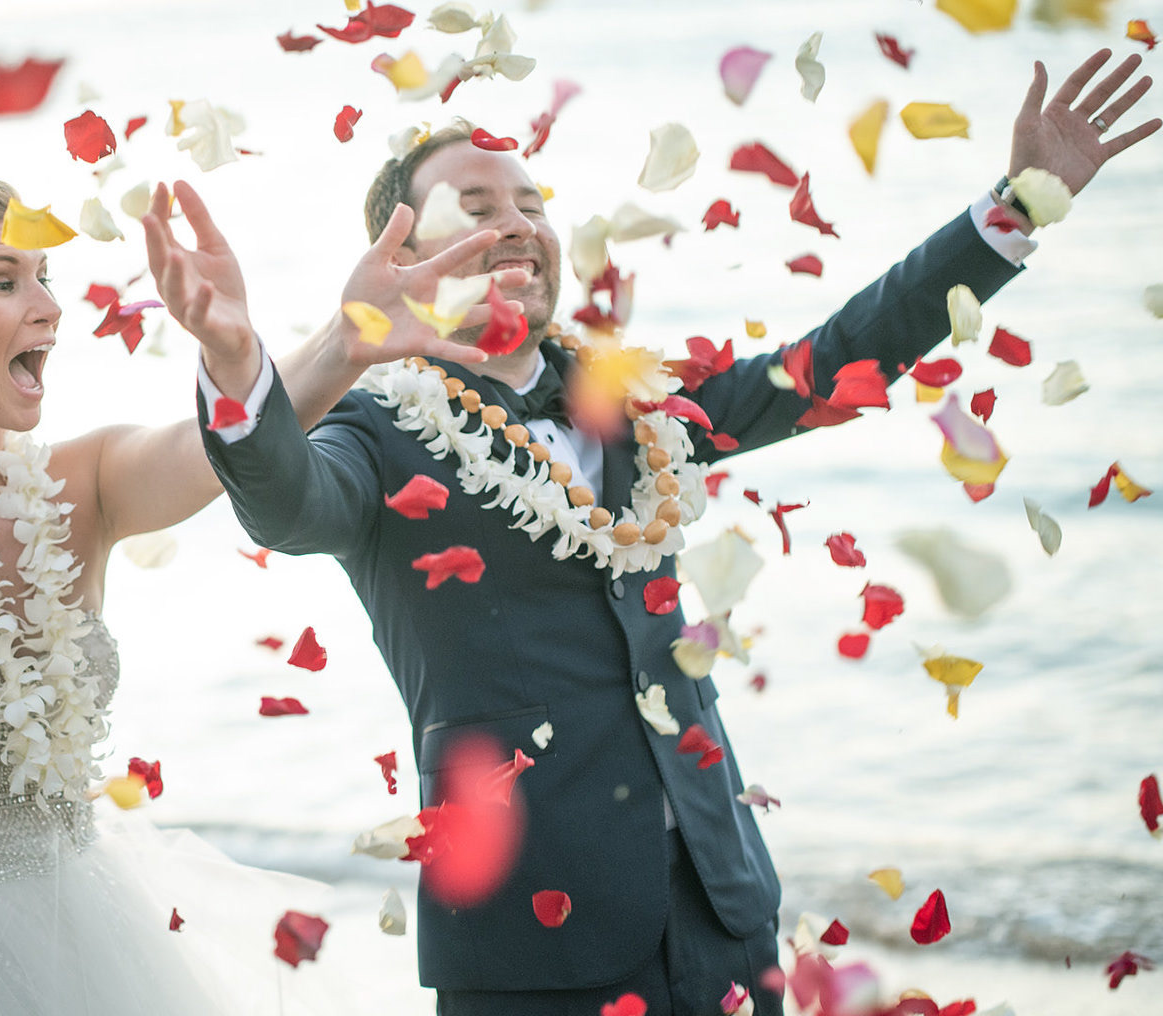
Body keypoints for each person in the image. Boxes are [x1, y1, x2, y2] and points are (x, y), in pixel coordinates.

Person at [149, 51, 1159, 1016]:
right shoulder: (376, 431)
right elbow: (284, 502)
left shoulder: (636, 403)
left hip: (723, 907)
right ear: (400, 257)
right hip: (529, 936)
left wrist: (1017, 206)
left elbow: (831, 361)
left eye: (531, 203)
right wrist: (241, 367)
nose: (518, 224)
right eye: (478, 207)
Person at [0, 176, 500, 1015]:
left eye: (45, 277)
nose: (49, 307)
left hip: (82, 937)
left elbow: (219, 448)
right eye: (5, 281)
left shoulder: (83, 481)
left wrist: (344, 340)